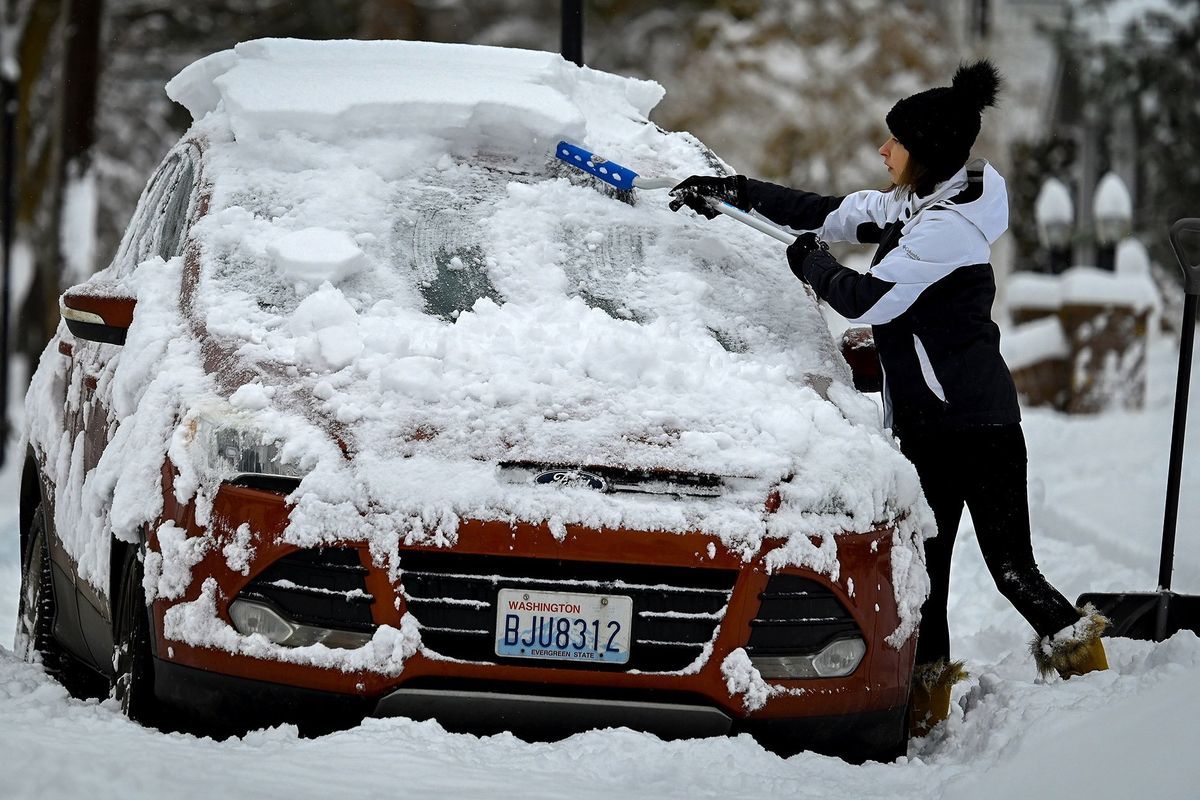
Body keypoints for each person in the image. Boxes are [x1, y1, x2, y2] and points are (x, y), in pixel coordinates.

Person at [668, 59, 1109, 736]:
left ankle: (1097, 683)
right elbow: (826, 212)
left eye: (894, 141)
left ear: (924, 153)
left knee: (1012, 570)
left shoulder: (945, 232)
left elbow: (863, 297)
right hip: (929, 431)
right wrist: (738, 191)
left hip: (978, 427)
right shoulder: (915, 204)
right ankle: (925, 710)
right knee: (926, 580)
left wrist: (808, 262)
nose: (883, 150)